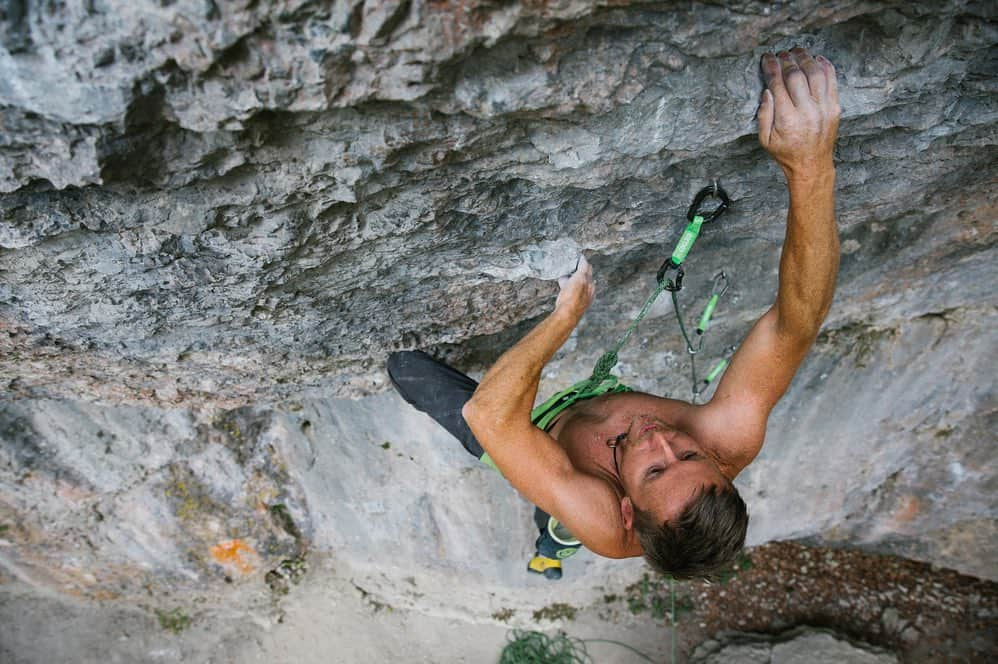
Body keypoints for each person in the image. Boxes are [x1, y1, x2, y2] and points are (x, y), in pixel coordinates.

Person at [388, 47, 840, 579]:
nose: (659, 437)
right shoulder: (725, 440)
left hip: (534, 436)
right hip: (570, 441)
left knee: (406, 370)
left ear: (628, 507)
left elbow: (489, 416)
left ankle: (552, 548)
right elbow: (797, 321)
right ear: (718, 465)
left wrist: (566, 315)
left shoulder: (604, 520)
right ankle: (554, 538)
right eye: (688, 456)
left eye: (652, 469)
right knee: (557, 497)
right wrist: (810, 164)